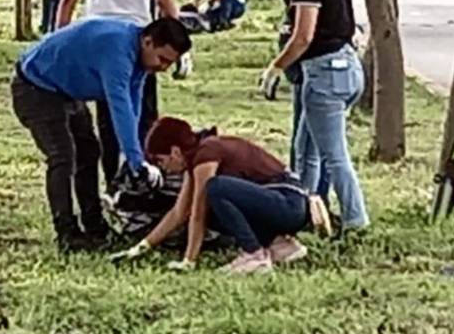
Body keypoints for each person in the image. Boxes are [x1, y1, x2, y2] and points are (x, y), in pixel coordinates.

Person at [11, 17, 192, 253]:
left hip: (66, 92)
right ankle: (67, 233)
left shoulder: (139, 56)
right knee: (62, 156)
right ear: (148, 42)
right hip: (35, 87)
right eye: (162, 59)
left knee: (89, 152)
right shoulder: (117, 50)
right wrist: (136, 161)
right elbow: (119, 106)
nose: (163, 67)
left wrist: (136, 156)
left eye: (170, 63)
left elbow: (134, 104)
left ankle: (94, 226)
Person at [56, 0, 180, 186]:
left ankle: (115, 182)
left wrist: (60, 40)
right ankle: (142, 181)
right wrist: (178, 43)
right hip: (138, 42)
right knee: (142, 116)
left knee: (108, 118)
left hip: (96, 42)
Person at [260, 0, 370, 232]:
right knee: (305, 149)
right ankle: (304, 209)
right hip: (346, 67)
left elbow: (303, 37)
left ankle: (356, 220)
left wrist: (276, 66)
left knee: (334, 156)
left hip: (325, 75)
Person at [118, 117, 330, 274]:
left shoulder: (206, 153)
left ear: (175, 151)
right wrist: (141, 247)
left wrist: (188, 261)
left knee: (215, 189)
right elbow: (179, 212)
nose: (163, 168)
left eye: (160, 161)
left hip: (289, 204)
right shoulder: (194, 160)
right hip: (282, 205)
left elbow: (198, 213)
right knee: (213, 203)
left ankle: (254, 254)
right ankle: (280, 245)